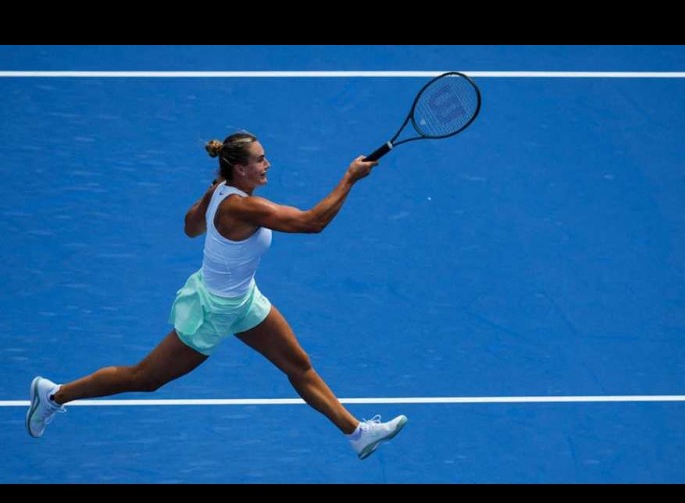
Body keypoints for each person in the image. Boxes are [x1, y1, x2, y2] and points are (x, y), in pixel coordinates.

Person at [26, 131, 407, 460]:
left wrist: (210, 199)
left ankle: (357, 433)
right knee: (145, 377)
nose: (268, 165)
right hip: (212, 310)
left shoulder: (220, 192)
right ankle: (55, 395)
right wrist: (350, 178)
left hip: (243, 299)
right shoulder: (244, 207)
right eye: (260, 160)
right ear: (239, 168)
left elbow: (190, 228)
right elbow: (313, 222)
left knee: (299, 365)